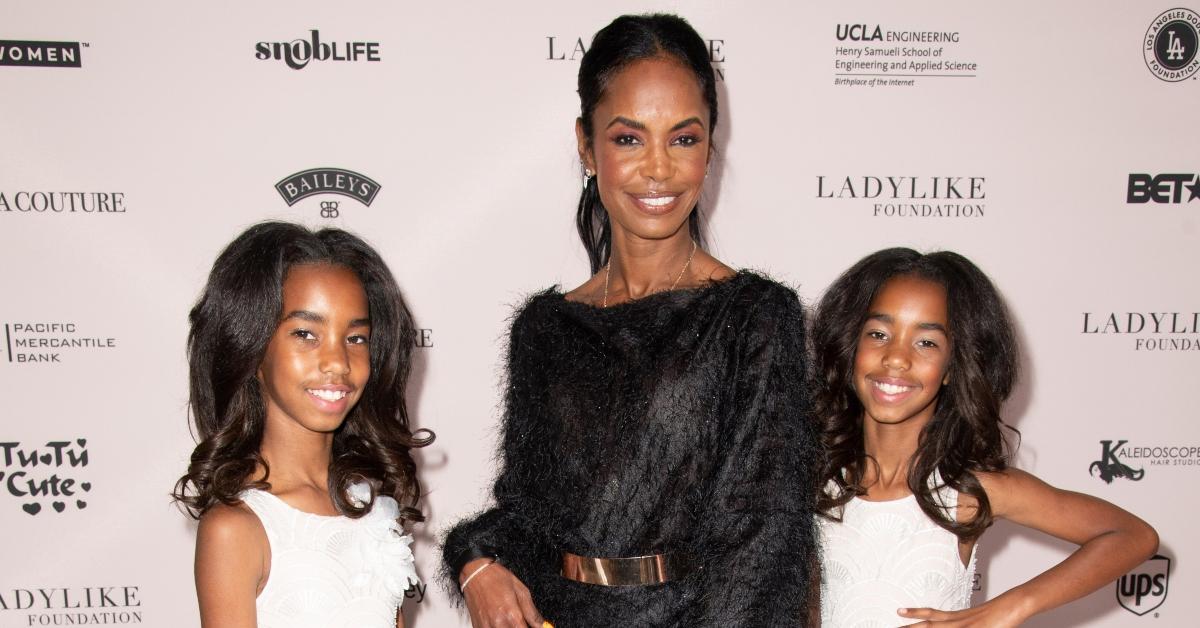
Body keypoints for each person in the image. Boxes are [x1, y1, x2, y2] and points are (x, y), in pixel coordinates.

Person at [441, 13, 820, 628]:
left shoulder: (754, 318)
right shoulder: (545, 328)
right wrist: (476, 561)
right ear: (587, 145)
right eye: (628, 138)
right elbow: (526, 515)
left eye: (683, 138)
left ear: (710, 147)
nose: (658, 169)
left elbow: (763, 551)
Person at [812, 247, 1159, 627]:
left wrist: (1009, 607)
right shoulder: (812, 479)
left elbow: (1132, 535)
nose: (896, 358)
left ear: (951, 367)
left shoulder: (967, 490)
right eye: (878, 334)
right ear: (851, 347)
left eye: (926, 342)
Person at [173, 221, 432, 628]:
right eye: (306, 333)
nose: (338, 362)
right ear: (253, 346)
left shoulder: (371, 506)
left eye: (356, 338)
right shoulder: (236, 527)